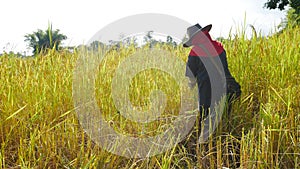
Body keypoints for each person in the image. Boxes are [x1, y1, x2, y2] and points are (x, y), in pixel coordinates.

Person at [182, 23, 242, 166]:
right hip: (225, 90)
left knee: (205, 123)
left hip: (206, 94)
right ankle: (226, 150)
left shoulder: (194, 53)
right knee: (224, 120)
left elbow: (190, 77)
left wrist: (190, 87)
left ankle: (203, 154)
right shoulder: (220, 47)